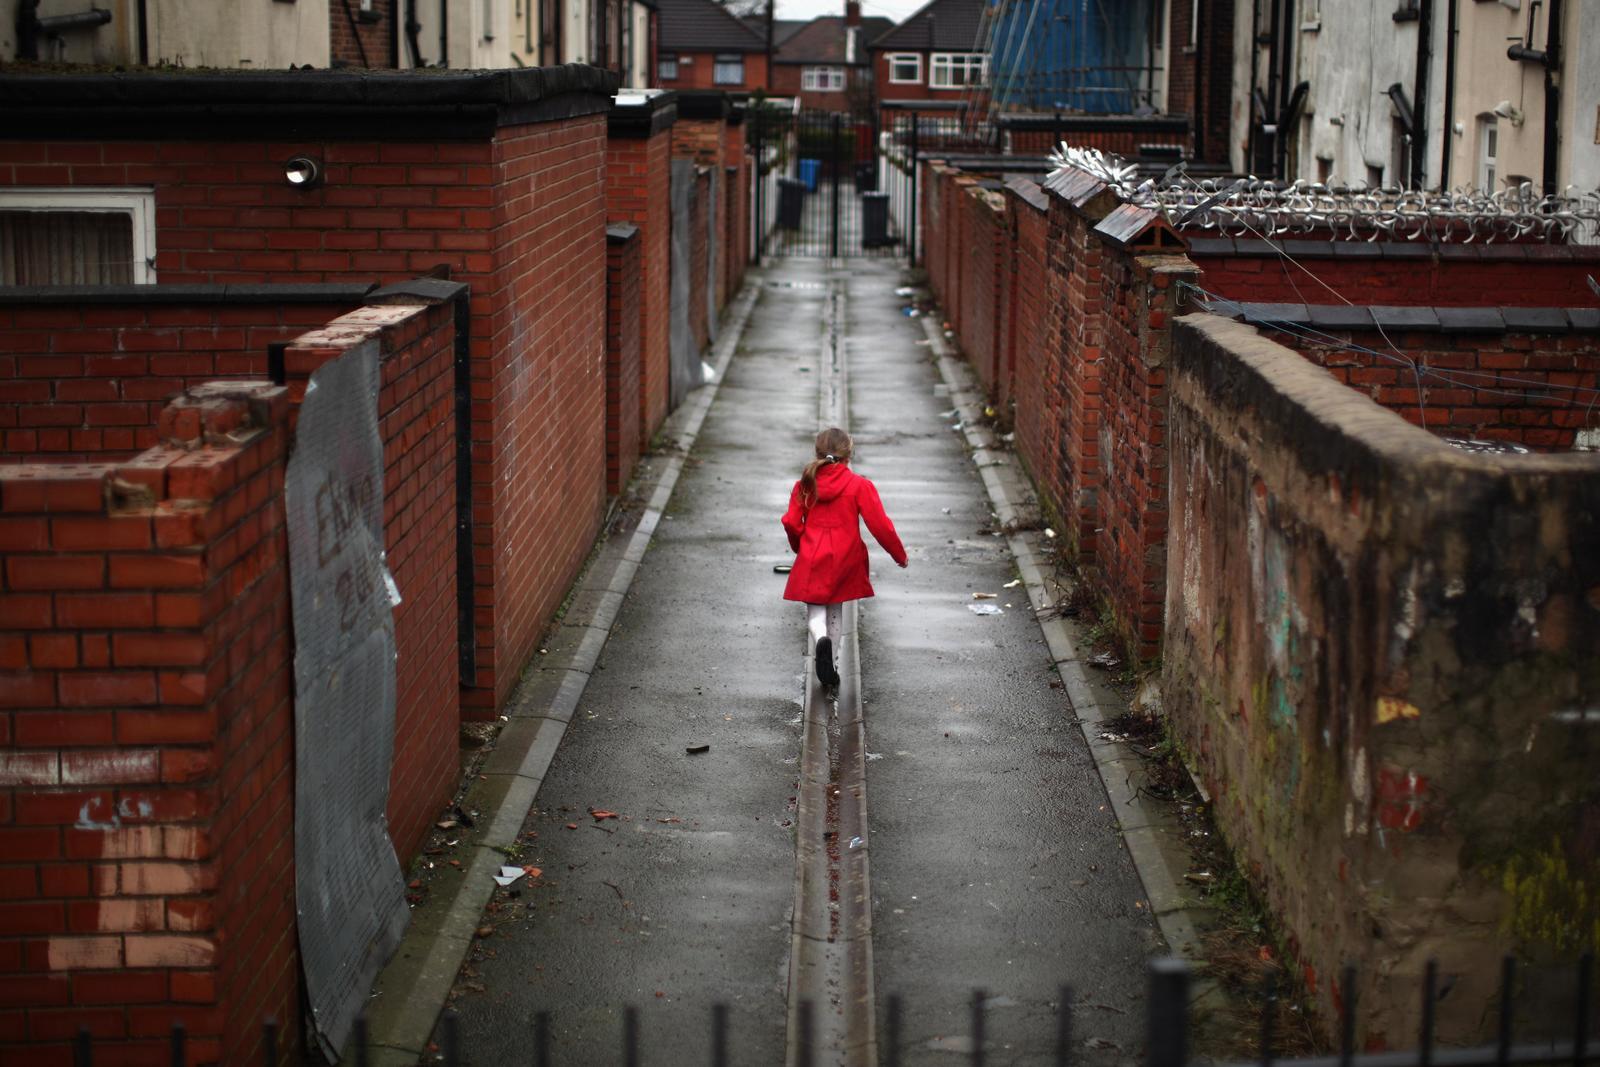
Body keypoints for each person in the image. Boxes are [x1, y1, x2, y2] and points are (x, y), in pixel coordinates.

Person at [781, 427, 908, 686]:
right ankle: (833, 665)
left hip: (813, 554)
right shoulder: (859, 485)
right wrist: (899, 554)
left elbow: (792, 523)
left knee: (815, 609)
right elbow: (880, 524)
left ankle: (820, 640)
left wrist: (799, 546)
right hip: (845, 556)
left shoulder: (804, 485)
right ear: (848, 455)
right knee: (836, 609)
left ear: (817, 453)